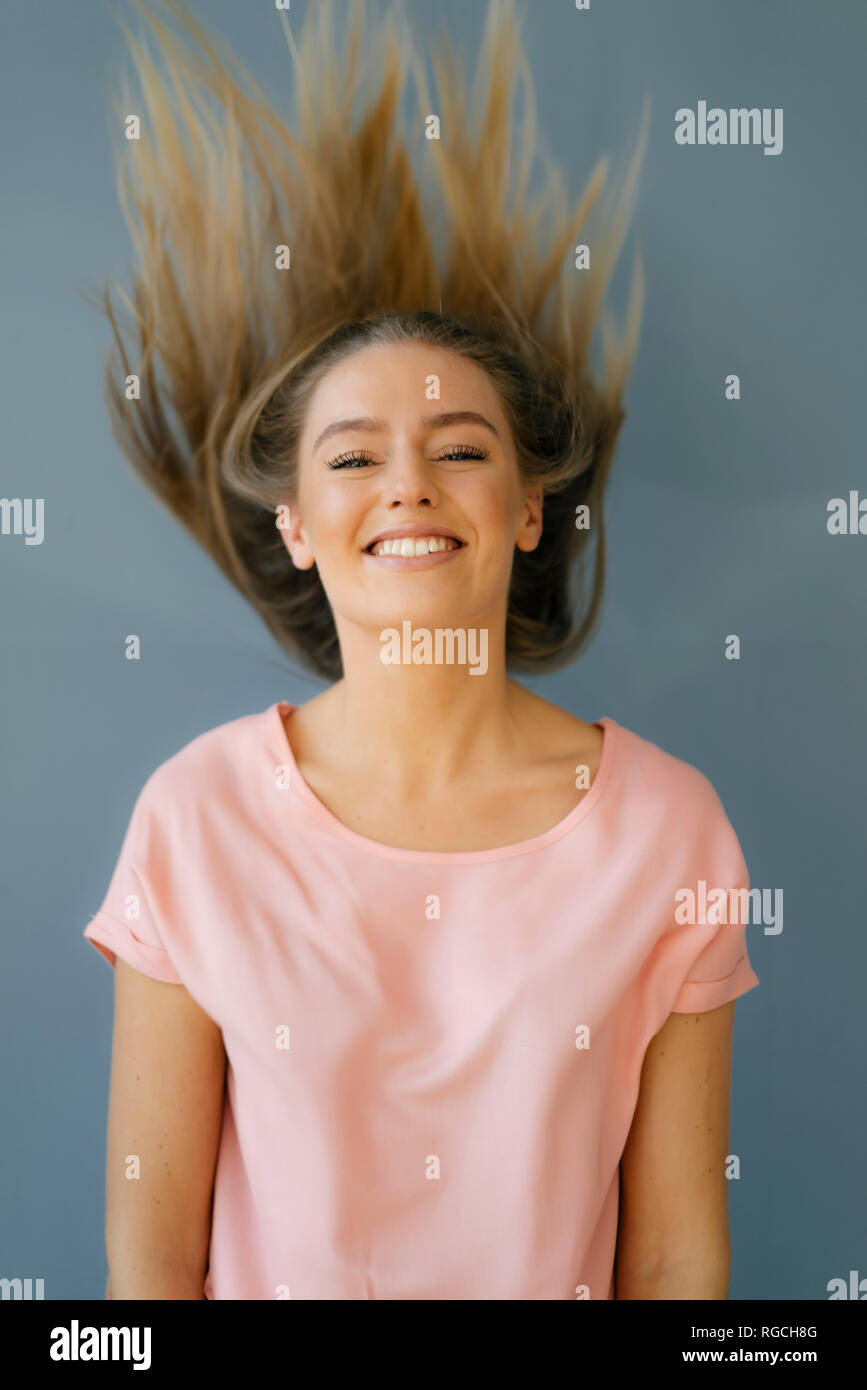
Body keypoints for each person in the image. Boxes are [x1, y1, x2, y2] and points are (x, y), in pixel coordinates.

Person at [82, 0, 758, 1300]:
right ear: (296, 525)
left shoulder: (674, 835)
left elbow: (678, 1258)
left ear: (525, 508)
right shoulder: (195, 819)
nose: (410, 486)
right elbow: (147, 1263)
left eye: (460, 450)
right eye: (353, 457)